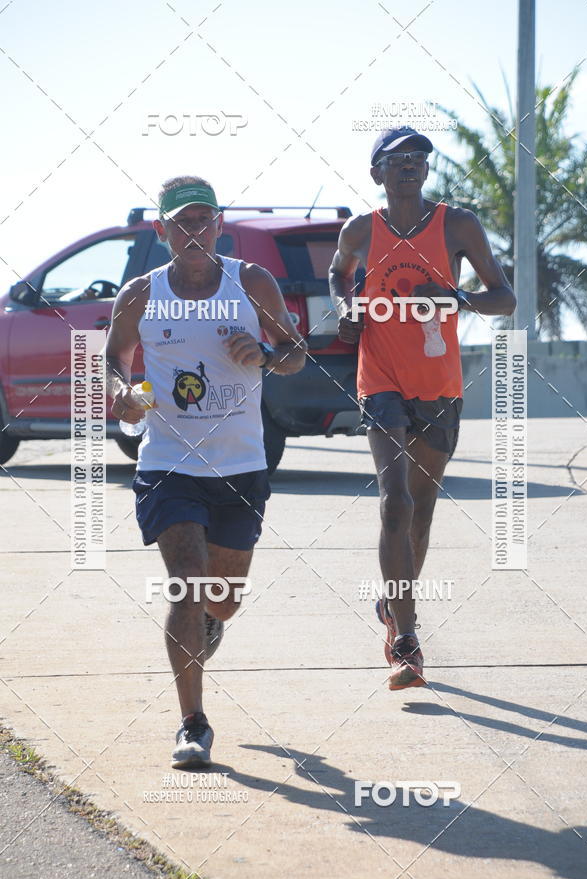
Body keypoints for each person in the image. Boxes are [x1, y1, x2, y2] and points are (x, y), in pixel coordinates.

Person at [106, 176, 306, 766]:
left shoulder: (251, 282)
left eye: (203, 221)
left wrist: (267, 354)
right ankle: (192, 723)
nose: (193, 232)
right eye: (181, 223)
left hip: (241, 466)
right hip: (169, 461)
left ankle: (211, 624)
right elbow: (115, 360)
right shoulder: (141, 293)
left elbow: (296, 353)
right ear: (162, 230)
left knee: (222, 598)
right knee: (187, 582)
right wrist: (124, 393)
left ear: (219, 224)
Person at [329, 127, 516, 690]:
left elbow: (503, 297)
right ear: (376, 172)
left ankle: (393, 605)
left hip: (438, 384)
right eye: (398, 159)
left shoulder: (456, 225)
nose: (411, 166)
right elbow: (339, 272)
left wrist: (453, 299)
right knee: (396, 502)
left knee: (423, 510)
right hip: (380, 376)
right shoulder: (360, 230)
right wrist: (347, 307)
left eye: (420, 159)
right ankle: (407, 641)